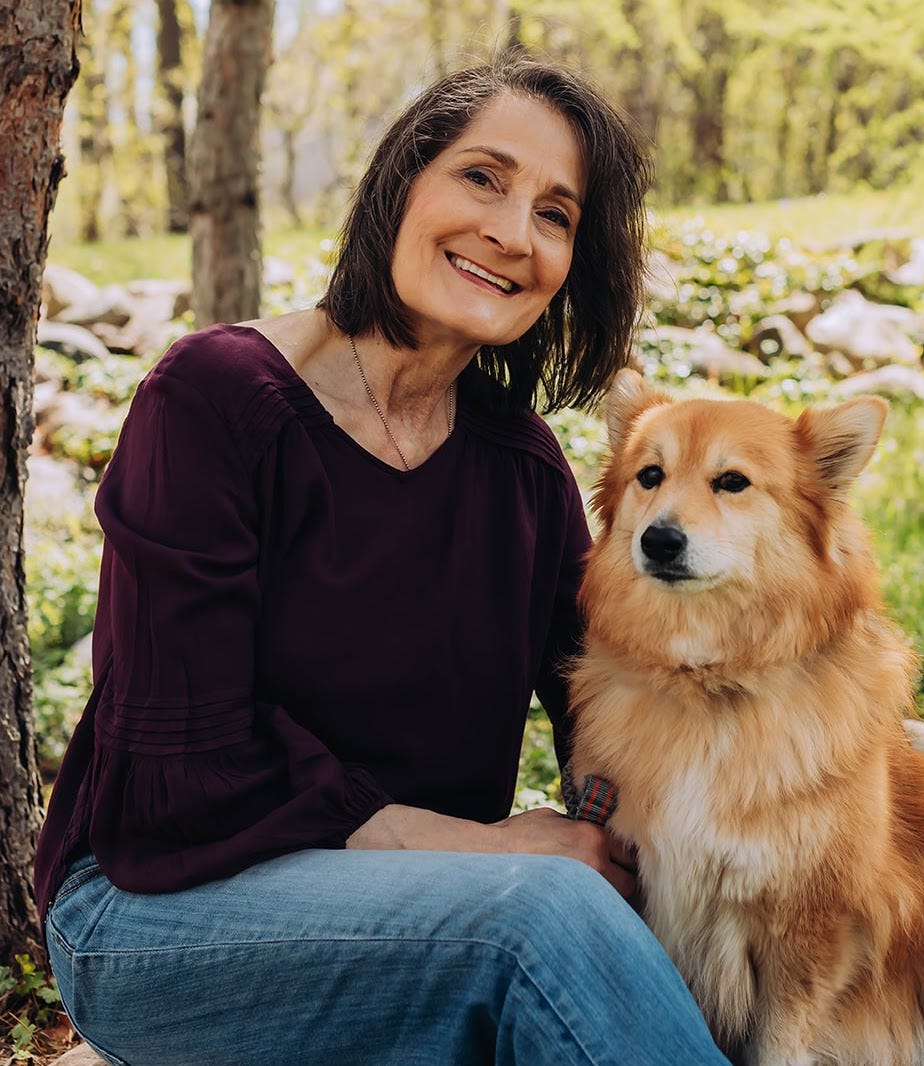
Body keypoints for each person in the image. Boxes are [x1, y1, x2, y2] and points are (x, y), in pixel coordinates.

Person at [35, 54, 730, 1066]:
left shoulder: (520, 468)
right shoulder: (213, 400)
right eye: (482, 177)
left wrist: (623, 802)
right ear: (404, 178)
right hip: (152, 913)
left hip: (416, 921)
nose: (508, 231)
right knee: (534, 919)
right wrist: (494, 850)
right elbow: (178, 780)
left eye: (555, 214)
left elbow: (610, 692)